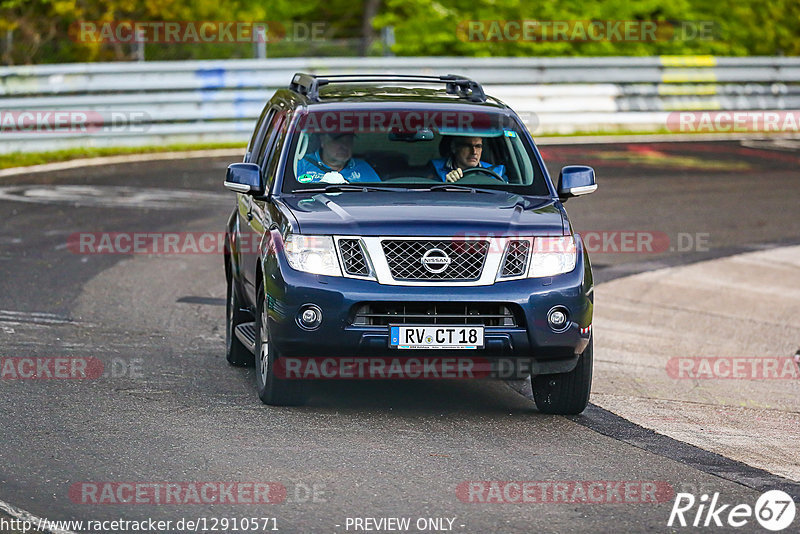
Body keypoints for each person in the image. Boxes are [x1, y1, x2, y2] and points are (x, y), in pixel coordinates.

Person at [296, 132, 380, 183]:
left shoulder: (363, 168)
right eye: (338, 140)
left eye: (348, 140)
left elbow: (379, 197)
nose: (344, 146)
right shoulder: (301, 165)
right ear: (322, 141)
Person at [429, 136, 507, 182]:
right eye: (467, 146)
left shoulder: (497, 172)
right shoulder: (435, 169)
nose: (474, 152)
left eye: (478, 146)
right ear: (454, 148)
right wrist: (445, 185)